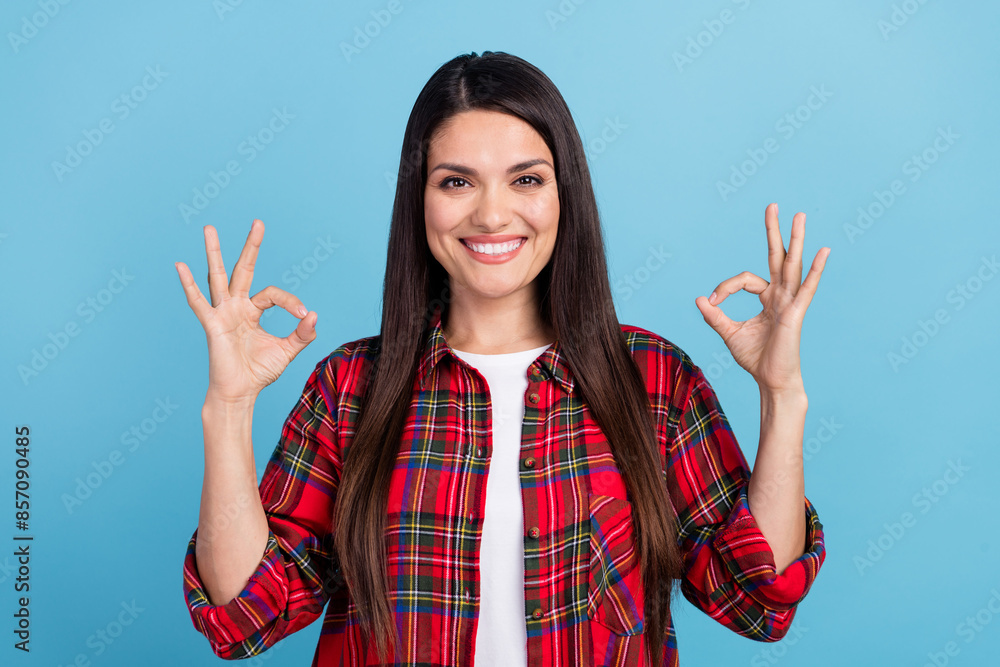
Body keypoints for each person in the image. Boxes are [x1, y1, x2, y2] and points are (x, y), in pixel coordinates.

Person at [174, 51, 829, 667]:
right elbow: (243, 616)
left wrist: (782, 395)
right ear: (419, 199)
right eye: (456, 181)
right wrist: (228, 407)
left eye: (526, 179)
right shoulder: (350, 388)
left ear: (562, 193)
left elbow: (755, 599)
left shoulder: (654, 380)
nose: (492, 214)